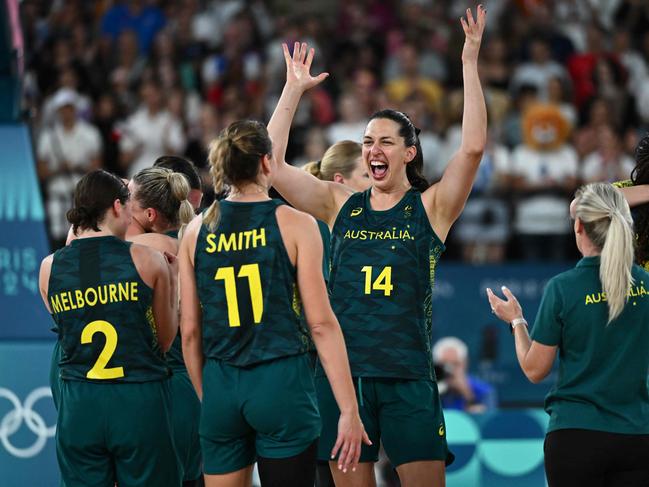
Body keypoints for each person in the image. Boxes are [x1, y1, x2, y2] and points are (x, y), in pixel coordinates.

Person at [267, 8, 487, 485]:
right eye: (368, 142)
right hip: (346, 381)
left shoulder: (431, 209)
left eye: (386, 142)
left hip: (408, 376)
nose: (373, 151)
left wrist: (469, 61)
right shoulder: (338, 202)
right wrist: (292, 90)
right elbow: (272, 167)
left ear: (409, 152)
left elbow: (471, 150)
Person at [178, 120, 369, 487]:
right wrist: (348, 409)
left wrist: (210, 396)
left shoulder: (197, 229)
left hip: (221, 381)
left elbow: (189, 332)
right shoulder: (295, 223)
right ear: (267, 163)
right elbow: (321, 324)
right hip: (281, 382)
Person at [487, 183, 649, 487]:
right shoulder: (646, 283)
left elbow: (535, 369)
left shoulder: (564, 287)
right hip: (639, 433)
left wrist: (517, 321)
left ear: (579, 227)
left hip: (576, 434)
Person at [38, 170, 181, 487]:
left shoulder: (49, 267)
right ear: (117, 207)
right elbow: (166, 340)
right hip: (138, 398)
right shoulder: (148, 259)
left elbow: (65, 331)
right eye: (129, 207)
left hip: (79, 403)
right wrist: (171, 281)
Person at [126, 166, 202, 487]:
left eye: (126, 198)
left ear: (149, 214)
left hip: (157, 392)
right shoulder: (199, 242)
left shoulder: (138, 252)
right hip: (200, 391)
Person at [432, 337, 496, 413]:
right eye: (444, 365)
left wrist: (467, 394)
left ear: (464, 363)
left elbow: (488, 420)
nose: (449, 371)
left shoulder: (484, 391)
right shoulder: (430, 390)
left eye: (455, 364)